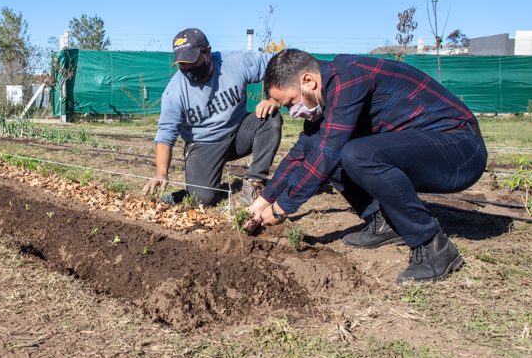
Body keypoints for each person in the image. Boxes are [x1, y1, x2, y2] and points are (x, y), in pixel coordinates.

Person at [247, 49, 487, 284]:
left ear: (307, 81)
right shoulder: (328, 91)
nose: (292, 112)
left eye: (290, 102)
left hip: (460, 149)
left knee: (356, 154)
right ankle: (383, 223)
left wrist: (281, 208)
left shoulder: (349, 78)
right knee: (314, 144)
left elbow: (328, 153)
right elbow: (302, 152)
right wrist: (263, 201)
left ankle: (432, 245)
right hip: (431, 147)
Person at [141, 28, 283, 206]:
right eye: (182, 63)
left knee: (270, 117)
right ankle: (189, 192)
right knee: (203, 199)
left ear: (207, 51)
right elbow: (165, 134)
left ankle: (255, 183)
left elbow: (279, 65)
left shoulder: (235, 62)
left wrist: (274, 99)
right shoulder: (174, 91)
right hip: (203, 145)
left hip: (239, 133)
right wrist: (161, 172)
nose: (187, 68)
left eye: (192, 61)